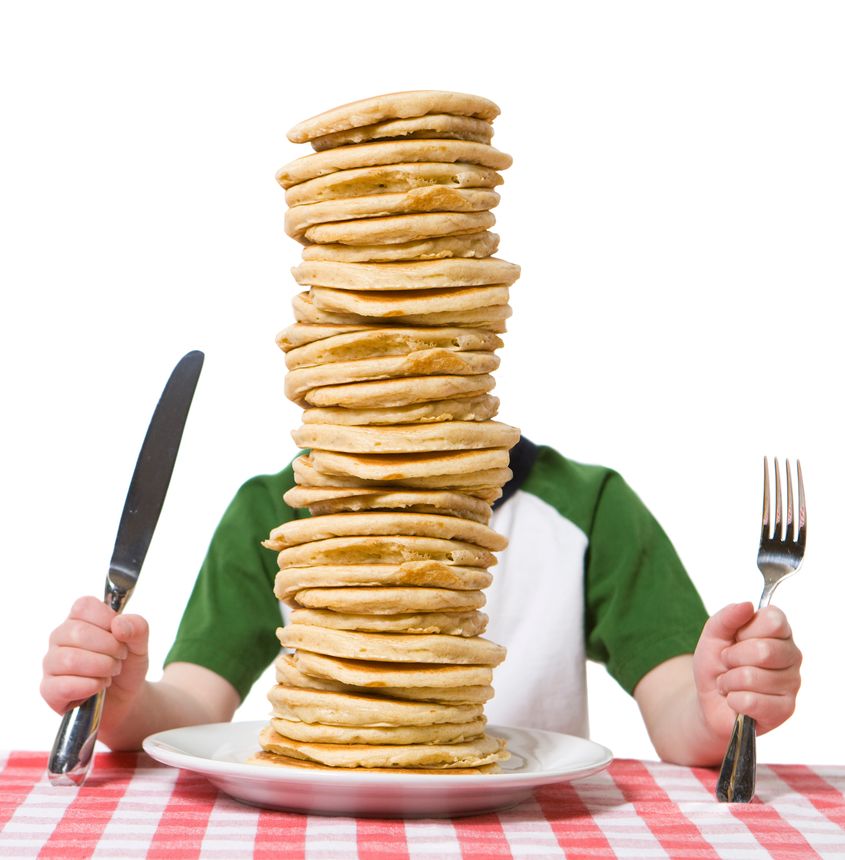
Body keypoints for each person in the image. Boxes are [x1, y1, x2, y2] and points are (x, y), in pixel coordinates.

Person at [41, 439, 802, 766]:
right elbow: (195, 706)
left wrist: (716, 707)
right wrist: (123, 700)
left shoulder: (588, 506)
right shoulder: (276, 509)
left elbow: (679, 707)